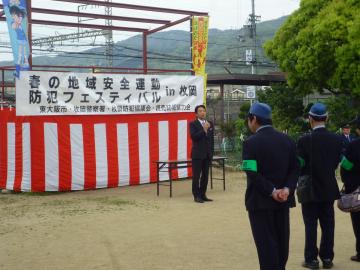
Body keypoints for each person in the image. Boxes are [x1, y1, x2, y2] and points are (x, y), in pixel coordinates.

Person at [241, 102, 299, 270]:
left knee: (266, 248)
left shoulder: (250, 143)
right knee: (282, 245)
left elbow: (251, 172)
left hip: (260, 203)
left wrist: (272, 191)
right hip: (283, 202)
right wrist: (287, 189)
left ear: (253, 119)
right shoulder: (287, 140)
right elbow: (295, 168)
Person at [297, 103, 343, 269]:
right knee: (328, 224)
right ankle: (327, 258)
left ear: (310, 119)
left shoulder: (304, 140)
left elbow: (299, 164)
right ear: (327, 118)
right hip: (329, 187)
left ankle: (311, 259)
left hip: (310, 189)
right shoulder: (337, 140)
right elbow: (337, 162)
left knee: (311, 225)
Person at [340, 116, 360, 263]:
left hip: (356, 190)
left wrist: (348, 183)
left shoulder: (354, 145)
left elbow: (345, 167)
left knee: (358, 221)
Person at [189, 105, 214, 203]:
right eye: (200, 111)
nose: (202, 112)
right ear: (196, 114)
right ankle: (196, 196)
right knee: (196, 176)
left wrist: (211, 153)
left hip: (207, 155)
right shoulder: (193, 124)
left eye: (204, 111)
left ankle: (203, 195)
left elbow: (211, 140)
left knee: (205, 176)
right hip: (197, 155)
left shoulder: (210, 123)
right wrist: (203, 130)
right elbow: (194, 137)